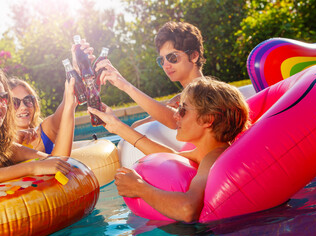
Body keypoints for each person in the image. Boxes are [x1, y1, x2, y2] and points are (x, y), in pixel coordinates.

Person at [88, 76, 250, 222]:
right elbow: (171, 156)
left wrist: (139, 187)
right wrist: (116, 126)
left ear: (208, 119)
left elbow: (188, 210)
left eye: (183, 110)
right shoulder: (209, 151)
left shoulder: (214, 159)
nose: (176, 116)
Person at [94, 21, 206, 129]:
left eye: (172, 57)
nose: (165, 66)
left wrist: (125, 85)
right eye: (162, 60)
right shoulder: (180, 99)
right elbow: (138, 126)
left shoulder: (207, 95)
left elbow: (174, 122)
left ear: (193, 56)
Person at [9, 40, 94, 154]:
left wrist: (76, 71)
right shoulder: (4, 148)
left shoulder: (45, 130)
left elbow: (67, 104)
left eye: (28, 100)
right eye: (15, 102)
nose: (23, 107)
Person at [0, 69, 77, 182]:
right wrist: (32, 167)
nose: (23, 107)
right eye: (15, 102)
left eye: (3, 98)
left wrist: (70, 104)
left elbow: (57, 162)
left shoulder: (7, 147)